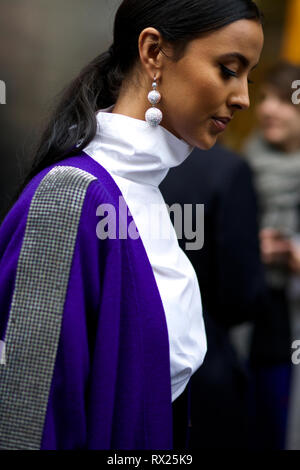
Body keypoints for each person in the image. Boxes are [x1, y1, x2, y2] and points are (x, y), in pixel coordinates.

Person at [0, 0, 264, 450]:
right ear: (154, 52)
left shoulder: (145, 190)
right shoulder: (70, 195)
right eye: (227, 69)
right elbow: (26, 415)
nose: (243, 97)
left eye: (247, 77)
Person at [160, 143, 272, 449]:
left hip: (124, 376)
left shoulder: (98, 167)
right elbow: (241, 297)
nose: (240, 101)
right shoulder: (226, 169)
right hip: (204, 374)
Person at [243, 61, 300, 449]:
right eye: (265, 98)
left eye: (284, 100)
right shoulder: (240, 167)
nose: (267, 109)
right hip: (248, 325)